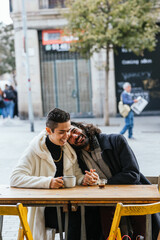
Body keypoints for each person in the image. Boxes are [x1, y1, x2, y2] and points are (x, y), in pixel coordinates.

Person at [10, 108, 98, 240]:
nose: (67, 135)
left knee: (92, 213)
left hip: (66, 205)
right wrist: (48, 182)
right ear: (48, 131)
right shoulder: (35, 150)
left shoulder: (68, 149)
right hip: (46, 208)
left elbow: (76, 174)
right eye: (61, 132)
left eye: (68, 130)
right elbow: (15, 178)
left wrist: (85, 179)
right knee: (77, 218)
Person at [68, 121, 160, 240]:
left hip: (133, 194)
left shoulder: (116, 140)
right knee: (101, 213)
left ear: (82, 128)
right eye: (69, 137)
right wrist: (87, 180)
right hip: (104, 199)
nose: (75, 136)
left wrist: (103, 182)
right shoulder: (77, 157)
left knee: (139, 216)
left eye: (74, 131)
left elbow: (132, 174)